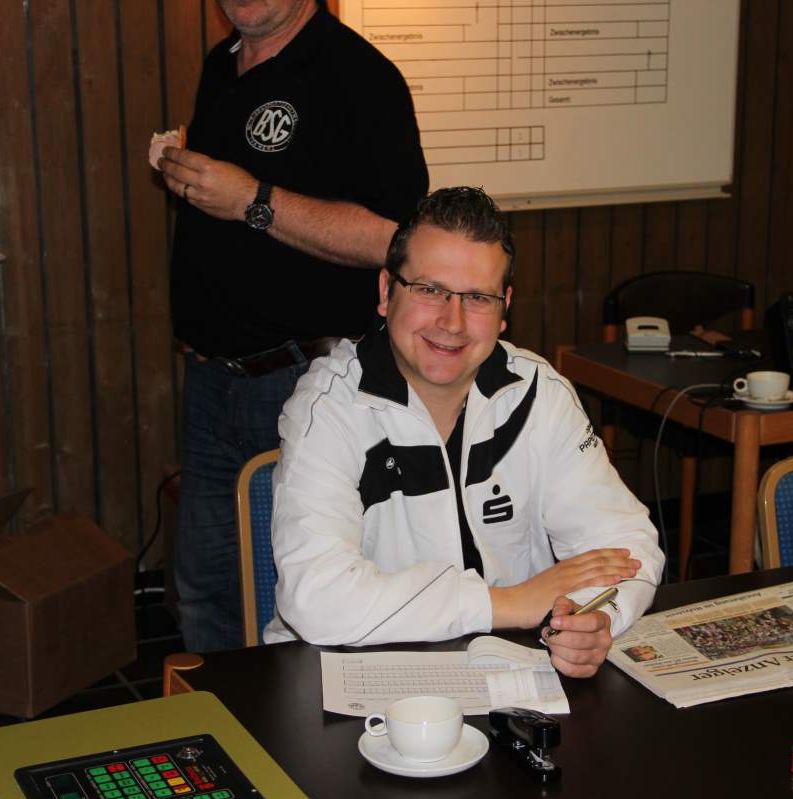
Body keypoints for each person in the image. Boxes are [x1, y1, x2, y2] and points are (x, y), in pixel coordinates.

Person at [266, 187, 664, 677]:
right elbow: (316, 599)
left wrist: (594, 617)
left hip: (506, 673)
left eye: (477, 297)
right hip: (348, 677)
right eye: (429, 290)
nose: (452, 322)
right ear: (387, 292)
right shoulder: (328, 407)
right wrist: (509, 603)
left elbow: (626, 543)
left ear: (504, 308)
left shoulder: (538, 393)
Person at [157, 0, 428, 652]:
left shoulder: (361, 76)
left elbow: (397, 241)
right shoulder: (221, 64)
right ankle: (225, 719)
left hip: (300, 383)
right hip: (210, 381)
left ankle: (299, 723)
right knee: (206, 593)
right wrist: (195, 182)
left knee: (299, 603)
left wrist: (251, 201)